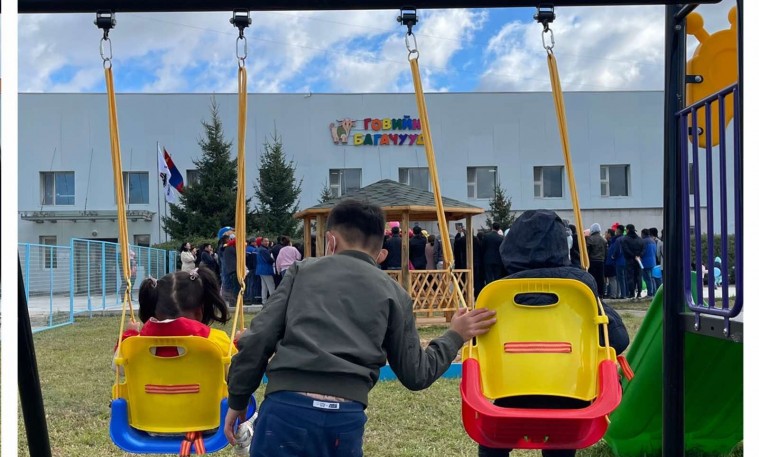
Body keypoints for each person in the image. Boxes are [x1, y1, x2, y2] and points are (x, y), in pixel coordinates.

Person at [223, 199, 497, 457]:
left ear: (331, 240)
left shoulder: (301, 271)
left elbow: (258, 338)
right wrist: (455, 335)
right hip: (345, 417)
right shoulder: (394, 293)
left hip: (286, 408)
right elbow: (416, 374)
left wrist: (238, 399)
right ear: (381, 253)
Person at [479, 209, 629, 457]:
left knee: (492, 441)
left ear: (510, 245)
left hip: (509, 393)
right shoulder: (580, 289)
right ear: (562, 244)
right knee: (562, 437)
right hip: (570, 393)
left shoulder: (497, 293)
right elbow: (619, 340)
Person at [620, 224, 645, 299]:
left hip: (630, 260)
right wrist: (639, 256)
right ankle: (639, 292)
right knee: (638, 276)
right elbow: (644, 249)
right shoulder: (640, 239)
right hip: (639, 260)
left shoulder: (625, 239)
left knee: (630, 276)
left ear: (628, 230)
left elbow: (626, 249)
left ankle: (632, 293)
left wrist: (634, 256)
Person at [585, 223, 607, 298]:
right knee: (600, 278)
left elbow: (587, 251)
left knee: (592, 277)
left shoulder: (590, 239)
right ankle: (601, 293)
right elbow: (606, 252)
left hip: (592, 261)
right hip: (601, 261)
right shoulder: (603, 240)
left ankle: (593, 292)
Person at [256, 238, 276, 305]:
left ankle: (264, 301)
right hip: (266, 269)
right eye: (265, 241)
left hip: (260, 269)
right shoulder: (264, 250)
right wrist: (273, 260)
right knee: (271, 285)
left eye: (267, 241)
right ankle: (273, 301)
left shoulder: (259, 249)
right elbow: (269, 260)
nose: (267, 242)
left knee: (264, 286)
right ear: (261, 242)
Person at [640, 229, 658, 297]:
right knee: (652, 278)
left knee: (647, 279)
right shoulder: (653, 241)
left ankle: (650, 293)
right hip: (653, 262)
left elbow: (643, 252)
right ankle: (654, 292)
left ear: (643, 234)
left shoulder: (644, 241)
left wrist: (639, 256)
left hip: (645, 262)